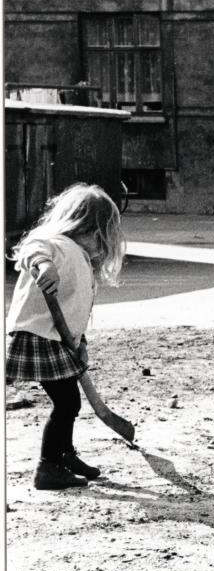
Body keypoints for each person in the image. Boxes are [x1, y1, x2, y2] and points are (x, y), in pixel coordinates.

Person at [5, 183, 126, 490]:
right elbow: (34, 249)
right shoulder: (55, 243)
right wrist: (44, 266)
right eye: (101, 236)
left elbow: (75, 307)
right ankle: (48, 468)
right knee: (68, 403)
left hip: (58, 338)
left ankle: (65, 454)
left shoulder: (80, 256)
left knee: (68, 399)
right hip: (38, 336)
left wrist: (80, 341)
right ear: (90, 227)